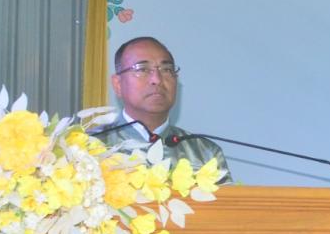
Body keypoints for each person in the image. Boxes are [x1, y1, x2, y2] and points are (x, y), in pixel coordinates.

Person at [93, 36, 231, 181]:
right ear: (118, 84)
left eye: (166, 70)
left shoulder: (205, 153)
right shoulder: (89, 148)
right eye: (142, 69)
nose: (157, 79)